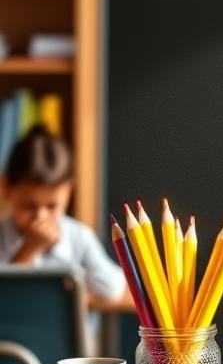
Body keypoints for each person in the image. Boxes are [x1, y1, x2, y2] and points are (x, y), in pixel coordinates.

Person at [0, 125, 128, 311]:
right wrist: (28, 250)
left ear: (69, 191)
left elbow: (112, 289)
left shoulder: (79, 238)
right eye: (28, 206)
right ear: (6, 188)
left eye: (52, 206)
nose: (40, 217)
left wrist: (74, 294)